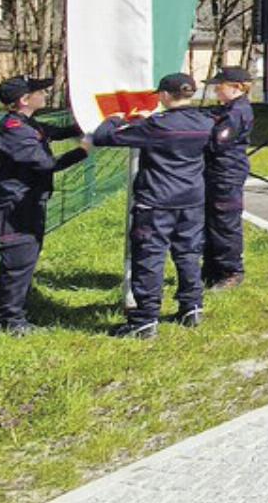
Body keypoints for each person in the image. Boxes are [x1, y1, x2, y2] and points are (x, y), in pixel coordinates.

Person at [93, 73, 221, 339]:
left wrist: (117, 116)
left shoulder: (157, 126)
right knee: (188, 253)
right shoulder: (205, 122)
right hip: (192, 198)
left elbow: (105, 137)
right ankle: (192, 307)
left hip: (157, 201)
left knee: (150, 257)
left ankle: (144, 319)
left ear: (163, 95)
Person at [0, 76, 90, 334]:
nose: (44, 94)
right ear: (24, 100)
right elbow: (46, 164)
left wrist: (89, 125)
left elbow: (54, 132)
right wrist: (83, 151)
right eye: (39, 91)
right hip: (17, 205)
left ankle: (13, 311)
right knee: (18, 260)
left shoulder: (26, 123)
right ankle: (10, 322)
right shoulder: (14, 129)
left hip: (30, 200)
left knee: (25, 258)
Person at [203, 67, 255, 289]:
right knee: (211, 221)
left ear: (236, 88)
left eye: (220, 85)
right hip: (216, 172)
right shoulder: (228, 108)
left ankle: (231, 272)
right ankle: (212, 268)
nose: (216, 89)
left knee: (225, 223)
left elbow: (217, 142)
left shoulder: (237, 112)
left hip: (227, 174)